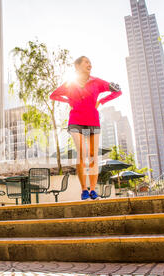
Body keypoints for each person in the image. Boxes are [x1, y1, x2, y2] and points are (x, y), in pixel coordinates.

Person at [50, 56, 122, 200]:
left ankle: (93, 190)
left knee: (93, 156)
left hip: (93, 121)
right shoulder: (70, 84)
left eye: (90, 62)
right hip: (75, 120)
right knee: (82, 153)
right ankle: (84, 190)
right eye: (86, 62)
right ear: (77, 66)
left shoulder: (97, 82)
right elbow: (53, 95)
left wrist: (102, 101)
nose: (90, 64)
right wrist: (68, 100)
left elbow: (117, 91)